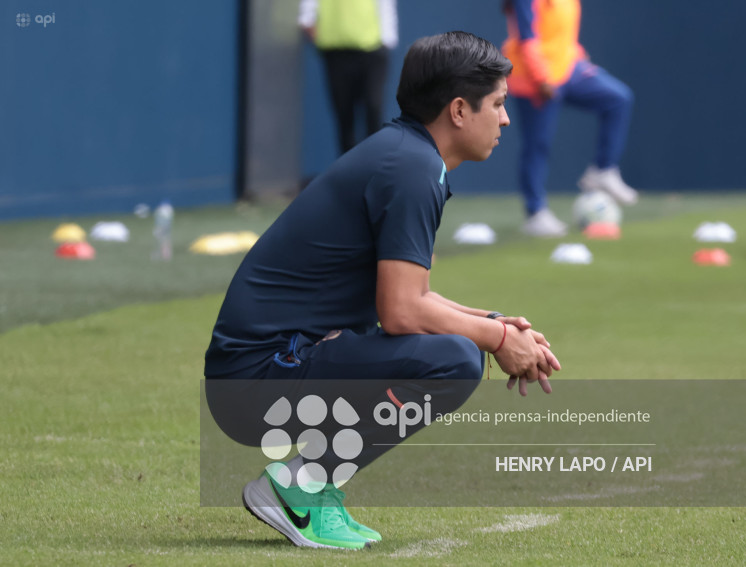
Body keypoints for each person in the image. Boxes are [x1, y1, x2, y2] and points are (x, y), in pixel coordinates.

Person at [204, 31, 561, 550]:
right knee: (455, 361)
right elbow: (401, 312)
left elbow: (412, 296)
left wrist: (498, 323)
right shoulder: (413, 170)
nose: (506, 119)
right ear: (459, 110)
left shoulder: (407, 156)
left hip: (265, 369)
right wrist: (496, 341)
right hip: (257, 381)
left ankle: (314, 488)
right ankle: (298, 488)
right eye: (499, 104)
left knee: (458, 347)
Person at [503, 0, 638, 238]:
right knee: (537, 144)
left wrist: (579, 58)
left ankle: (603, 170)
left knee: (618, 98)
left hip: (568, 67)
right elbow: (527, 37)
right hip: (534, 75)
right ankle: (535, 212)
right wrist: (541, 78)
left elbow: (564, 33)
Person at [298, 0, 398, 154]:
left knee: (373, 110)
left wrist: (386, 40)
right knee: (345, 119)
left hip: (373, 49)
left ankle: (375, 169)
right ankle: (350, 175)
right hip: (336, 51)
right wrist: (306, 18)